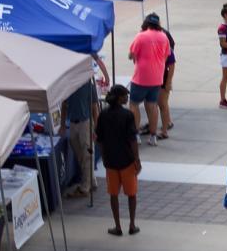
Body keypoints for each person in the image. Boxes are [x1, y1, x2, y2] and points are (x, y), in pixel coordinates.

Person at [95, 84, 142, 236]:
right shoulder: (128, 115)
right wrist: (137, 159)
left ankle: (117, 226)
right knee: (131, 194)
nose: (127, 97)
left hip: (111, 161)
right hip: (127, 161)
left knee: (113, 194)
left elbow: (99, 139)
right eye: (124, 95)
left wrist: (104, 156)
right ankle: (132, 224)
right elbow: (132, 140)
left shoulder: (103, 115)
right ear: (119, 98)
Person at [127, 15, 170, 143]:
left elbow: (131, 55)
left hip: (141, 77)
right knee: (152, 106)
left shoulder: (141, 36)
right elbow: (166, 56)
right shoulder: (164, 37)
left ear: (146, 23)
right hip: (157, 78)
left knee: (134, 105)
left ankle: (136, 135)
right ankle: (153, 136)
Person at [63, 79, 99, 197]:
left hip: (86, 123)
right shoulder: (69, 84)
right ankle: (91, 180)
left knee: (88, 154)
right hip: (73, 123)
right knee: (80, 155)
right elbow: (64, 104)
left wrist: (96, 128)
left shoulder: (89, 85)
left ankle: (85, 187)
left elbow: (95, 108)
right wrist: (63, 124)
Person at [157, 19, 177, 137]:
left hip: (163, 76)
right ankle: (167, 122)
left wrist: (169, 82)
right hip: (162, 74)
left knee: (162, 103)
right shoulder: (163, 35)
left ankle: (165, 127)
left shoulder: (163, 37)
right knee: (161, 103)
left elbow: (172, 64)